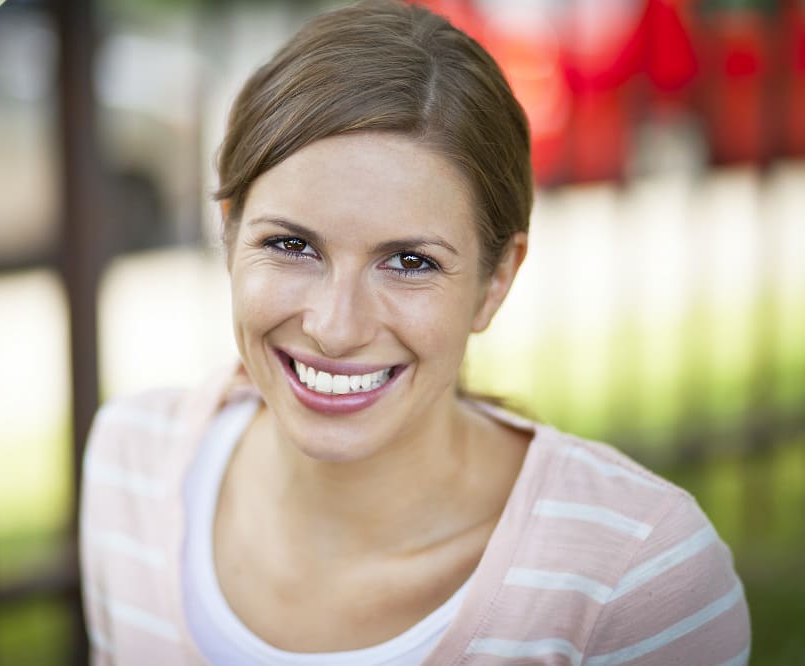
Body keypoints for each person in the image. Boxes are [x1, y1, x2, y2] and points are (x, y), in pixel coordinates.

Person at [79, 1, 751, 664]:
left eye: (409, 262)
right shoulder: (133, 463)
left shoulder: (636, 577)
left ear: (495, 282)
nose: (336, 328)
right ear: (227, 232)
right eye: (290, 245)